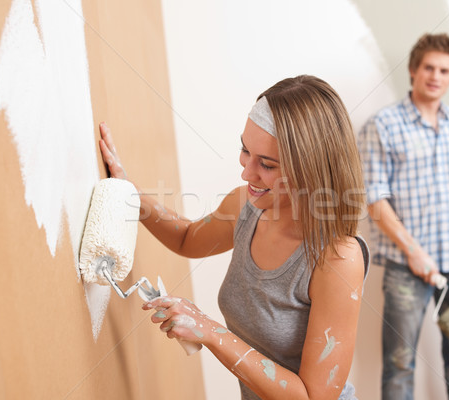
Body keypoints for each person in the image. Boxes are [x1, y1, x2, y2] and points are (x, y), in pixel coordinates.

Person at [99, 75, 370, 400]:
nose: (246, 172)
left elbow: (313, 396)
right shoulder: (245, 205)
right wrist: (129, 194)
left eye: (266, 164)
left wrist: (210, 331)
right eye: (245, 150)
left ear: (309, 169)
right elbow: (187, 238)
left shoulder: (338, 258)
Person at [359, 34, 449, 399]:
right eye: (429, 67)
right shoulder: (381, 124)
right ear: (414, 70)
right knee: (400, 364)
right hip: (405, 268)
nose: (436, 76)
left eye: (444, 70)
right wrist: (414, 251)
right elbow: (374, 198)